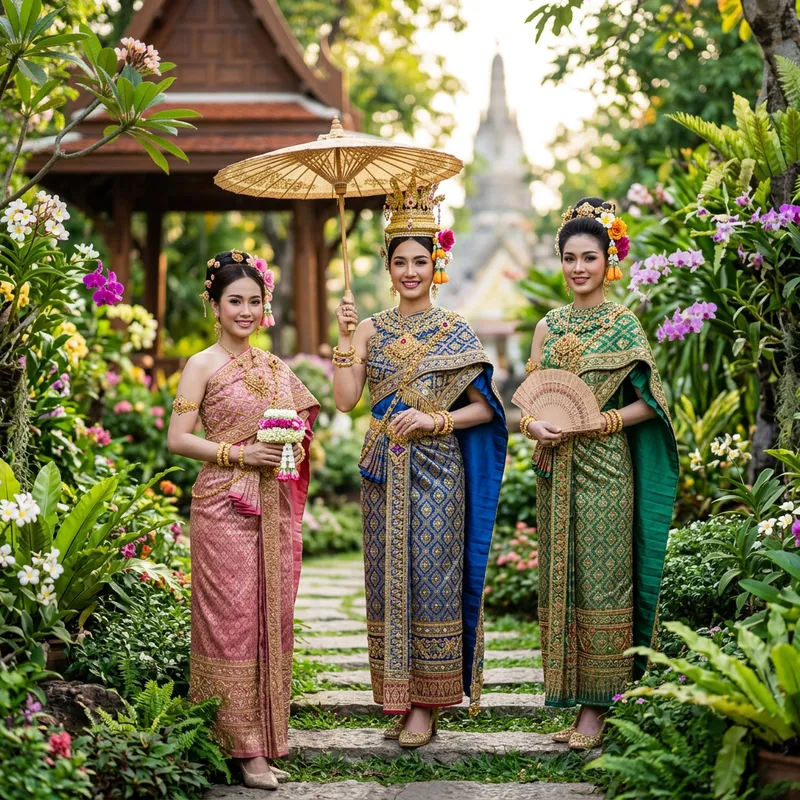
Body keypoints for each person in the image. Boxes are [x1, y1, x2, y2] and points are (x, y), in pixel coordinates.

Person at [333, 180, 507, 747]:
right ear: (386, 266)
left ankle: (428, 705)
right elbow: (343, 398)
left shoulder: (455, 328)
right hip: (383, 468)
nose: (410, 271)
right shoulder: (368, 328)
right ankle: (396, 694)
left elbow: (485, 409)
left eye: (420, 261)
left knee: (432, 577)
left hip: (439, 470)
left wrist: (435, 421)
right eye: (400, 261)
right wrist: (342, 343)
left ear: (437, 264)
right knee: (387, 580)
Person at [520, 198, 678, 750]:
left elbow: (651, 406)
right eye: (569, 257)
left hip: (608, 468)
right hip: (556, 468)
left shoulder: (624, 325)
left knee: (604, 579)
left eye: (589, 257)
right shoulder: (548, 326)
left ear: (608, 261)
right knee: (564, 581)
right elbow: (530, 404)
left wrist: (599, 420)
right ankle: (571, 692)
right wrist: (534, 426)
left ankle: (598, 707)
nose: (578, 268)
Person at [167, 250, 319, 790]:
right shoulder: (201, 365)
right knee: (229, 621)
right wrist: (237, 456)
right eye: (236, 301)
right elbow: (177, 439)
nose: (247, 311)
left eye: (255, 301)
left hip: (269, 504)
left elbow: (302, 425)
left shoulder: (275, 368)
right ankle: (233, 744)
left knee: (266, 616)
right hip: (220, 504)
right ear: (214, 303)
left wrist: (292, 445)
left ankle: (264, 738)